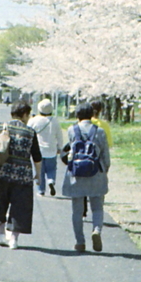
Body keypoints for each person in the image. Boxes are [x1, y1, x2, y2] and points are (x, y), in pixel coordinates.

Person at [0, 100, 41, 249]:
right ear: (25, 114)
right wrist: (38, 174)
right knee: (20, 207)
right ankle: (14, 239)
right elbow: (36, 156)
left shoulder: (2, 127)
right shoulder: (30, 132)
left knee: (0, 203)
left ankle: (1, 235)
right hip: (23, 175)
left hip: (1, 172)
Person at [62, 103, 111, 253]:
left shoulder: (72, 130)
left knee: (77, 211)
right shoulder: (100, 131)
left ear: (77, 115)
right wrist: (104, 171)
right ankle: (96, 230)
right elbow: (106, 156)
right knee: (97, 207)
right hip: (96, 172)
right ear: (92, 114)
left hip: (77, 173)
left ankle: (80, 242)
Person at [28, 98, 63, 197]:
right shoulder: (55, 121)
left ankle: (41, 190)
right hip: (51, 150)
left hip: (38, 150)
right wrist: (60, 147)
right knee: (51, 169)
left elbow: (28, 132)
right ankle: (51, 180)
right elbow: (59, 136)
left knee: (40, 171)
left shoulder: (34, 120)